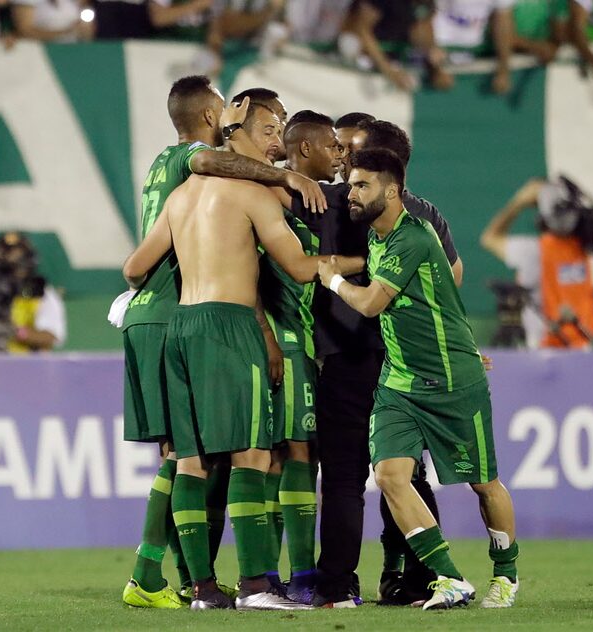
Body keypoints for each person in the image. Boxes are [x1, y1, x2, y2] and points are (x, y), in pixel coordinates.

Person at [122, 104, 361, 610]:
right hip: (229, 327)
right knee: (251, 453)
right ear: (245, 139)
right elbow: (298, 268)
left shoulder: (182, 195)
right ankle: (257, 585)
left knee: (191, 459)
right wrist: (362, 261)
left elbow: (135, 266)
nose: (277, 139)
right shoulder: (254, 193)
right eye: (270, 130)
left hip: (179, 327)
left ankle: (204, 590)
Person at [318, 148, 521, 610]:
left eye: (362, 185)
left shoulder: (412, 236)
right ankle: (449, 578)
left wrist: (329, 278)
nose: (352, 192)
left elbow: (371, 303)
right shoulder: (376, 237)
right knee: (389, 474)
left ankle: (506, 574)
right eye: (351, 184)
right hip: (399, 383)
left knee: (484, 484)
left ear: (392, 190)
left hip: (452, 381)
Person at [289, 113, 461, 608]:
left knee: (345, 475)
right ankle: (415, 578)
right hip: (410, 362)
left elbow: (264, 193)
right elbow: (452, 277)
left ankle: (338, 583)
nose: (344, 161)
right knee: (406, 474)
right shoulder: (425, 215)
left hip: (350, 355)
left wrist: (292, 175)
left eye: (352, 153)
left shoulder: (336, 199)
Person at [258, 110, 343, 604]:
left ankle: (271, 575)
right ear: (305, 149)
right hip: (287, 345)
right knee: (294, 456)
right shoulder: (275, 199)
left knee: (280, 458)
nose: (338, 153)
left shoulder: (316, 202)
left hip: (304, 343)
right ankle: (297, 576)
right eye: (331, 145)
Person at [480, 176, 593, 349]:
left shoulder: (535, 251)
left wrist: (518, 203)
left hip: (545, 350)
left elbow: (489, 238)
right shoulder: (582, 248)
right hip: (583, 347)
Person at [340, 0, 452, 91]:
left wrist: (436, 66)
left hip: (394, 59)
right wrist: (388, 70)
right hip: (357, 60)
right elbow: (361, 29)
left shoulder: (425, 4)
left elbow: (422, 29)